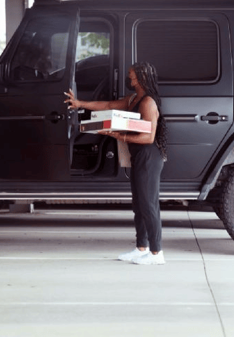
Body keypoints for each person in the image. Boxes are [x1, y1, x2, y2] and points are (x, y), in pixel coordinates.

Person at [64, 62, 168, 265]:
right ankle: (141, 248)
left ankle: (157, 253)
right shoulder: (133, 99)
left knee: (148, 205)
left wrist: (118, 134)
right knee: (139, 205)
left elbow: (148, 138)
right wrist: (79, 103)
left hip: (149, 157)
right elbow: (108, 106)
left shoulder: (147, 103)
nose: (129, 80)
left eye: (132, 77)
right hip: (139, 156)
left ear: (141, 77)